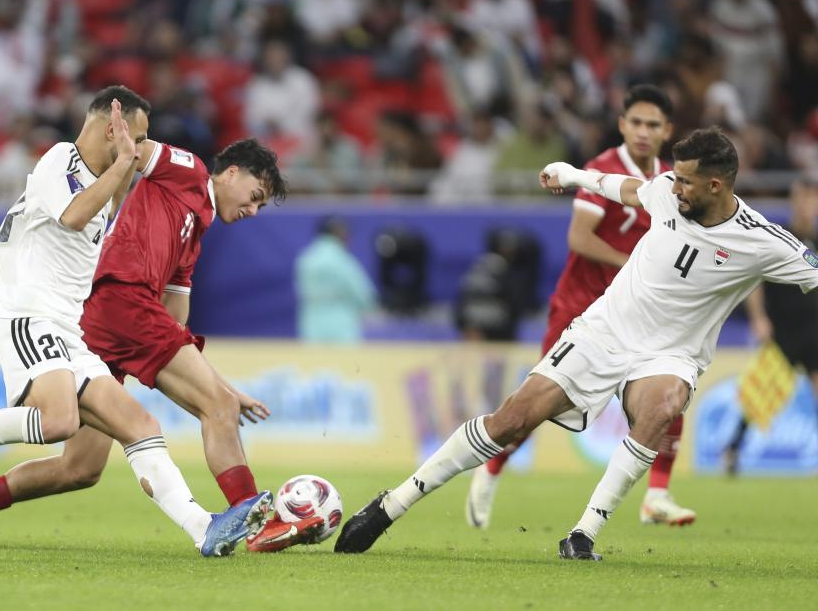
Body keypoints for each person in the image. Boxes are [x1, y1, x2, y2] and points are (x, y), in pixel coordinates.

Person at [333, 127, 818, 560]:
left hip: (671, 354)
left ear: (717, 185)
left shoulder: (764, 240)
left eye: (686, 180)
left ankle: (585, 532)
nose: (675, 185)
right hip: (604, 330)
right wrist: (574, 175)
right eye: (675, 177)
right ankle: (392, 504)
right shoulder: (668, 192)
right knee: (512, 420)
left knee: (663, 404)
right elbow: (624, 187)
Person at [0, 86, 272, 557]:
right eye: (254, 197)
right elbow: (73, 215)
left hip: (76, 328)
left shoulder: (178, 223)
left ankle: (204, 528)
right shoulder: (61, 159)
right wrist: (126, 162)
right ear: (115, 128)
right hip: (30, 312)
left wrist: (218, 383)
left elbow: (176, 323)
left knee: (103, 452)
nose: (253, 211)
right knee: (62, 420)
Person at [466, 85, 696, 529]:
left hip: (637, 316)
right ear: (622, 125)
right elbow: (579, 238)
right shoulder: (602, 171)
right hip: (580, 308)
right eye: (637, 123)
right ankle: (491, 467)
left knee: (668, 395)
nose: (644, 132)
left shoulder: (670, 182)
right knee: (536, 406)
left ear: (667, 131)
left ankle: (658, 495)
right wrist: (634, 263)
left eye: (653, 125)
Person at [724, 178, 818, 474]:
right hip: (783, 331)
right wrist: (758, 318)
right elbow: (755, 280)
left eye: (811, 198)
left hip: (814, 329)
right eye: (801, 198)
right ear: (793, 200)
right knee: (760, 396)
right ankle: (732, 450)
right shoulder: (780, 237)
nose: (806, 204)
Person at [296, 217, 377, 343]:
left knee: (315, 361)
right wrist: (370, 308)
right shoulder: (341, 258)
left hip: (312, 319)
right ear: (338, 233)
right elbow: (360, 290)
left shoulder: (306, 258)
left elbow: (301, 290)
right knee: (344, 361)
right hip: (341, 318)